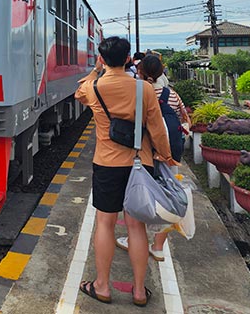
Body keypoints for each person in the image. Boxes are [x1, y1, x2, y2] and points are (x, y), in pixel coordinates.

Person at [74, 36, 175, 307]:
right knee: (136, 227)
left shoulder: (94, 87)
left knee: (105, 223)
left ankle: (102, 286)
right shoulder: (143, 89)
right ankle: (140, 291)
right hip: (140, 166)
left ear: (103, 58)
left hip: (107, 163)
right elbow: (156, 128)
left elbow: (78, 92)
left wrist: (97, 69)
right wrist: (166, 156)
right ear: (129, 58)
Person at [116, 54, 191, 260]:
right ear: (161, 72)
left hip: (141, 152)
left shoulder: (134, 92)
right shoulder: (172, 95)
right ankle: (157, 247)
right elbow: (185, 118)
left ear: (139, 71)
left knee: (138, 195)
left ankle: (134, 239)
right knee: (168, 196)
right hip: (168, 154)